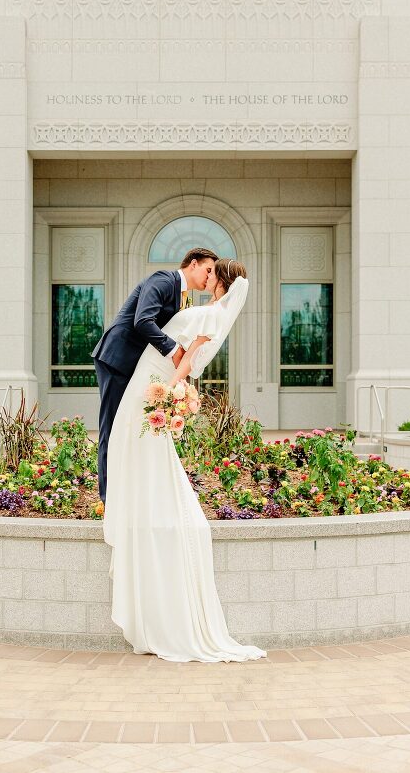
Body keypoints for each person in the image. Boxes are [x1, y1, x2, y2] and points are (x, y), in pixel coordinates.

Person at [102, 258, 266, 664]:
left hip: (148, 385)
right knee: (129, 445)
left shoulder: (204, 315)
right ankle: (124, 502)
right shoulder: (198, 310)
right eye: (204, 269)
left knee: (127, 443)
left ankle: (122, 504)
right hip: (145, 381)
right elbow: (181, 355)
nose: (204, 277)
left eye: (212, 273)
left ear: (218, 281)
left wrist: (167, 392)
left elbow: (187, 361)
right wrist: (172, 390)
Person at [92, 247, 218, 503]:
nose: (209, 277)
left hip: (136, 367)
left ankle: (127, 492)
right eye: (208, 270)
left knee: (130, 426)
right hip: (117, 359)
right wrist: (173, 349)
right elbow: (142, 320)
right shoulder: (162, 280)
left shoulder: (185, 298)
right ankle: (109, 499)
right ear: (193, 264)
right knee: (113, 427)